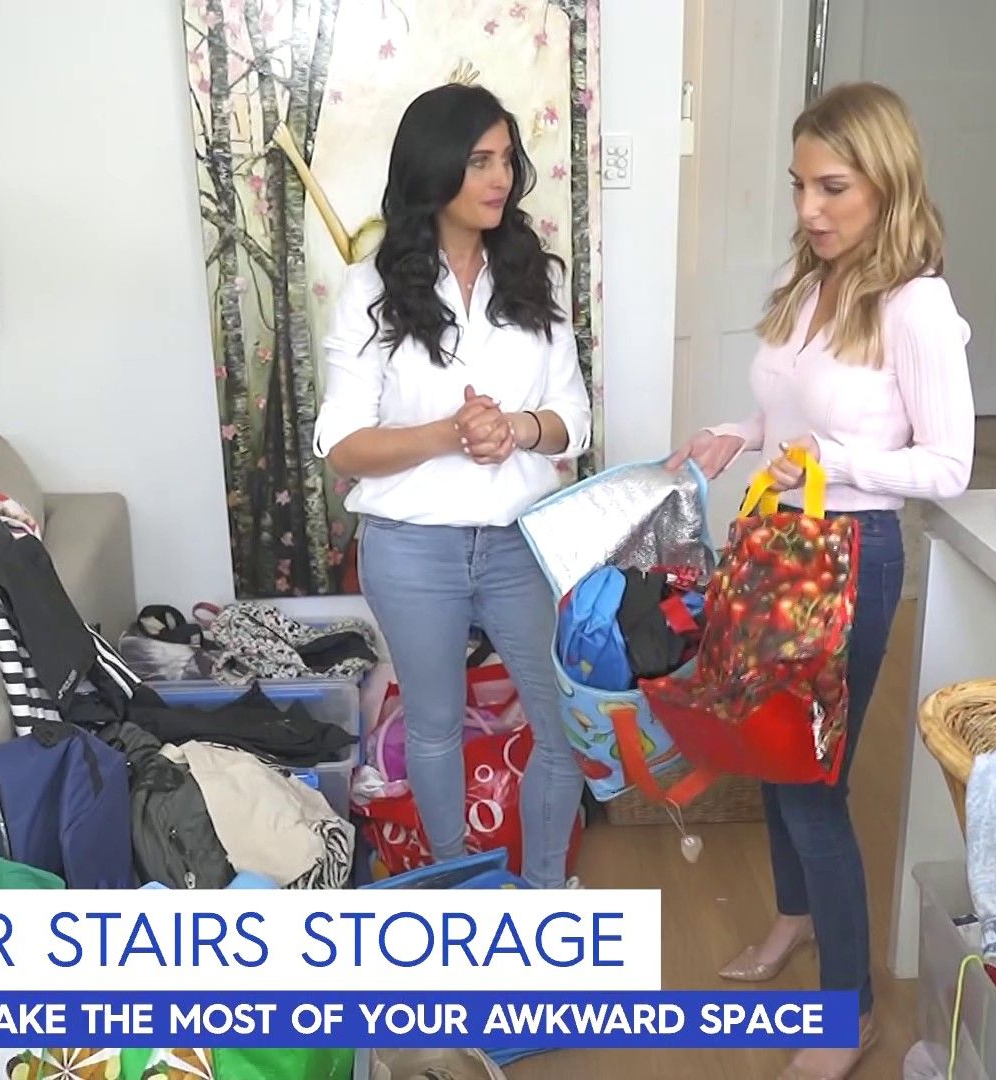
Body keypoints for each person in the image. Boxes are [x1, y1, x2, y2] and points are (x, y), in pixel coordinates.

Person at [667, 81, 974, 1078]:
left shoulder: (916, 306)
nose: (808, 208)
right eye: (799, 185)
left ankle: (850, 1012)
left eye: (832, 187)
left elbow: (948, 466)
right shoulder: (810, 281)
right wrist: (740, 433)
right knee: (769, 753)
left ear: (887, 181)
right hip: (777, 541)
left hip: (850, 557)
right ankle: (795, 917)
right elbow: (798, 413)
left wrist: (831, 466)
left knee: (810, 786)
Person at [312, 82, 592, 889]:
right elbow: (341, 444)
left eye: (506, 159)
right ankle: (456, 894)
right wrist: (449, 434)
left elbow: (574, 419)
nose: (500, 178)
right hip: (412, 549)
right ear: (434, 171)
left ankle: (544, 892)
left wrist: (520, 429)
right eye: (478, 162)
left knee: (564, 726)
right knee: (433, 728)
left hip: (521, 543)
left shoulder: (536, 280)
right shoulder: (372, 291)